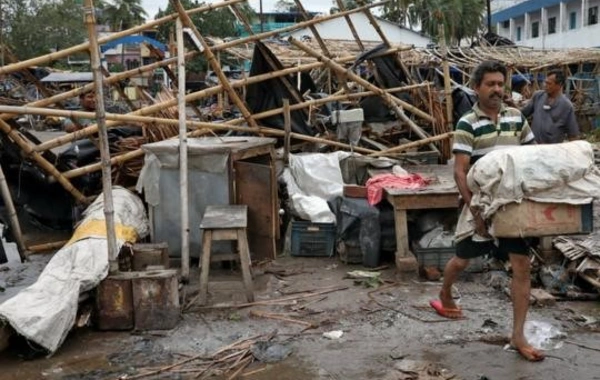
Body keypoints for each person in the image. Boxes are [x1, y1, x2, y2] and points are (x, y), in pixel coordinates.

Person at [430, 61, 545, 362]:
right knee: (462, 258)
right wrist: (476, 212)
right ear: (476, 87)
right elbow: (459, 172)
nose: (497, 89)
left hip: (512, 206)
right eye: (490, 84)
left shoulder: (517, 118)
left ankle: (518, 335)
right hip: (480, 204)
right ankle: (445, 292)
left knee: (521, 265)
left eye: (500, 84)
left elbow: (533, 157)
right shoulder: (467, 123)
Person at [521, 69, 579, 144]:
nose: (545, 85)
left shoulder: (566, 106)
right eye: (545, 82)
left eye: (549, 83)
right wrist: (511, 104)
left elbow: (573, 135)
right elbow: (522, 114)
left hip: (552, 151)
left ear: (559, 85)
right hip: (533, 147)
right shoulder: (538, 96)